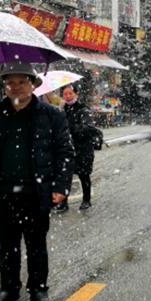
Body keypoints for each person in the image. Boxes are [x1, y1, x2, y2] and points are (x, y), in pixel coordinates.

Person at [0, 61, 75, 301]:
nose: (15, 87)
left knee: (36, 245)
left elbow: (64, 152)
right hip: (2, 192)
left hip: (36, 192)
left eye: (21, 82)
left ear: (33, 84)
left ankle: (38, 289)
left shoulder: (51, 115)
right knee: (7, 244)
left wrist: (60, 186)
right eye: (9, 82)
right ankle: (9, 288)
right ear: (4, 86)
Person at [54, 84, 95, 212]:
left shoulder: (83, 109)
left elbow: (88, 128)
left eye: (70, 93)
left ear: (76, 94)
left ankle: (86, 200)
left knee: (84, 175)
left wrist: (71, 129)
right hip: (67, 148)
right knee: (65, 176)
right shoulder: (62, 110)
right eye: (65, 94)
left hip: (83, 148)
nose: (67, 96)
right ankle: (63, 202)